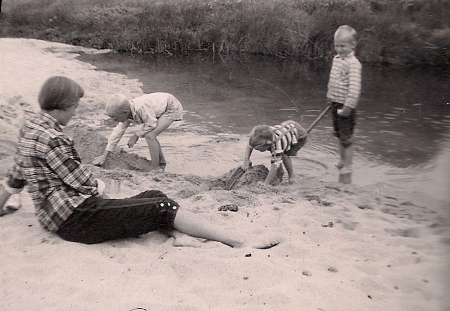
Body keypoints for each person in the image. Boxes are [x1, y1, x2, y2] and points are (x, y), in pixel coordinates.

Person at [0, 76, 280, 249]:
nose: (74, 115)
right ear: (61, 104)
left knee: (153, 196)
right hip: (76, 218)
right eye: (74, 108)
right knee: (162, 205)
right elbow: (85, 183)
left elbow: (15, 178)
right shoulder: (54, 138)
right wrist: (111, 201)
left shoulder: (30, 128)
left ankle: (180, 235)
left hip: (62, 216)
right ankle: (238, 241)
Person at [92, 92, 184, 170]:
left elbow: (151, 124)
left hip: (171, 107)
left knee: (150, 135)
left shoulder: (140, 108)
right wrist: (104, 156)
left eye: (115, 118)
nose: (114, 121)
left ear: (124, 112)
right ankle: (161, 162)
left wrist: (136, 135)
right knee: (150, 134)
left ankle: (156, 168)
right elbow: (116, 134)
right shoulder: (127, 114)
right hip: (160, 108)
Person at [326, 25, 362, 178]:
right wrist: (330, 96)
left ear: (353, 45)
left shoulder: (353, 64)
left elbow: (354, 89)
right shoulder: (337, 59)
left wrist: (348, 107)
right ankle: (341, 160)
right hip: (335, 102)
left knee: (346, 138)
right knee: (339, 135)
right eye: (336, 45)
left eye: (343, 46)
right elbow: (333, 80)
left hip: (346, 105)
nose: (339, 49)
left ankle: (348, 165)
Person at [242, 120, 307, 185]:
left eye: (259, 149)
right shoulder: (260, 134)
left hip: (299, 135)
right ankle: (280, 171)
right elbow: (250, 145)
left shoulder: (277, 146)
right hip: (288, 124)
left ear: (268, 144)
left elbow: (275, 165)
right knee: (278, 157)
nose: (258, 151)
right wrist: (246, 159)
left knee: (285, 155)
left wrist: (266, 183)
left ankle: (291, 176)